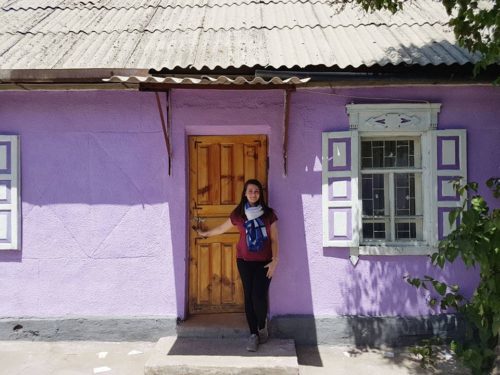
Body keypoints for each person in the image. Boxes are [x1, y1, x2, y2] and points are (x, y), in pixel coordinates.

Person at [196, 179, 279, 352]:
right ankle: (253, 334)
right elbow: (221, 229)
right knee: (248, 297)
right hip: (244, 261)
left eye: (256, 191)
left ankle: (262, 324)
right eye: (250, 191)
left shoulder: (269, 214)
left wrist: (275, 260)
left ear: (260, 194)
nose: (253, 194)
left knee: (259, 297)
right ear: (245, 193)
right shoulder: (239, 213)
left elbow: (274, 239)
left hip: (264, 262)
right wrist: (205, 234)